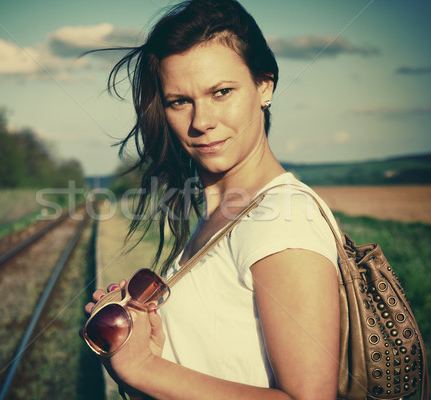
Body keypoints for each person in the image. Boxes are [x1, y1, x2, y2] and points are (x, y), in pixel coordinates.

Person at [84, 0, 341, 398]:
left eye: (221, 92)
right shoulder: (223, 216)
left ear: (264, 86)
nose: (201, 121)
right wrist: (146, 342)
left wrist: (143, 368)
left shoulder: (283, 220)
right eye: (179, 101)